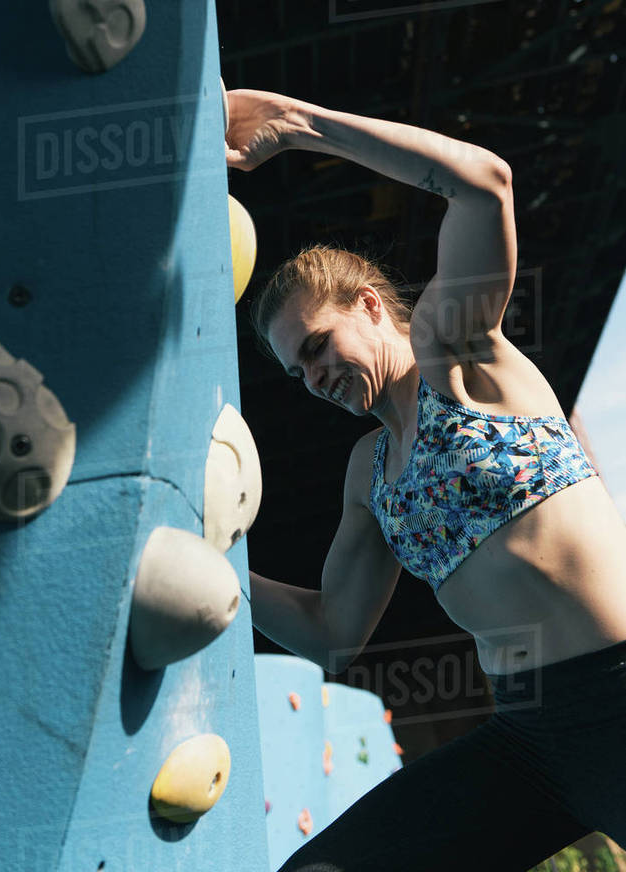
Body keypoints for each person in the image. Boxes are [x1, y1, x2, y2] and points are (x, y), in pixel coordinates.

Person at [225, 88, 626, 870]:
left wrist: (302, 126)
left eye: (316, 346)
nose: (313, 377)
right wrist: (215, 561)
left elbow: (483, 183)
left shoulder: (457, 354)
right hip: (526, 743)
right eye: (296, 371)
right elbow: (331, 635)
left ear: (369, 305)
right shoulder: (367, 474)